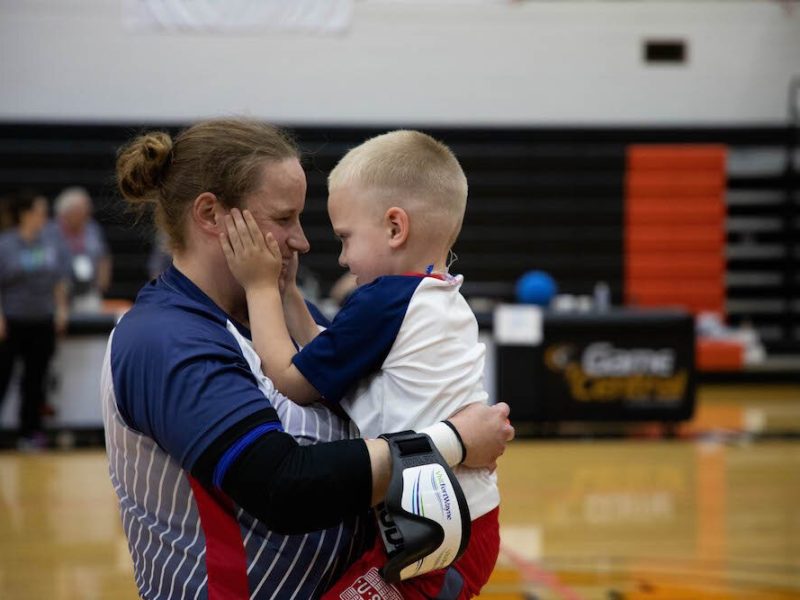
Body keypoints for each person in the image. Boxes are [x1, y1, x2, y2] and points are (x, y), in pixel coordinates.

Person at [105, 118, 514, 599]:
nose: (303, 241)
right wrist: (453, 441)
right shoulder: (163, 340)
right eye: (283, 219)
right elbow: (283, 487)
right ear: (211, 215)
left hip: (413, 548)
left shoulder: (294, 315)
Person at [221, 130, 499, 598]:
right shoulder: (432, 295)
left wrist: (260, 288)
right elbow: (329, 356)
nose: (344, 258)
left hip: (435, 535)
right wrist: (289, 293)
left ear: (395, 228)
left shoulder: (383, 301)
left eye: (346, 238)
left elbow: (292, 378)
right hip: (453, 524)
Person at [0, 191, 70, 449]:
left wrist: (61, 310)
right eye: (40, 211)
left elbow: (59, 279)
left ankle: (29, 433)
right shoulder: (6, 244)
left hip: (42, 320)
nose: (45, 216)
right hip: (11, 321)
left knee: (35, 380)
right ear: (25, 214)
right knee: (3, 377)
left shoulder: (50, 242)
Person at [49, 186, 112, 312]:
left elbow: (103, 255)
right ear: (67, 212)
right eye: (81, 210)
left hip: (88, 290)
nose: (87, 213)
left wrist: (102, 282)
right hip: (58, 292)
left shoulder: (92, 228)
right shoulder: (50, 231)